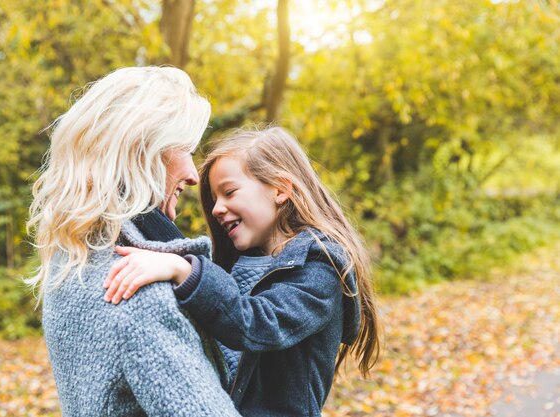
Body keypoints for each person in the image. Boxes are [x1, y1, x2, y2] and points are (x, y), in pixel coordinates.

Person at [103, 127, 381, 416]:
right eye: (214, 199)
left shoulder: (320, 267)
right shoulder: (241, 263)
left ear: (280, 189)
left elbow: (258, 323)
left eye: (229, 192)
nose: (217, 209)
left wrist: (182, 270)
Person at [26, 67, 240, 417]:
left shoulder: (72, 261)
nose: (192, 173)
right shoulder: (137, 293)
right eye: (185, 150)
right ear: (143, 152)